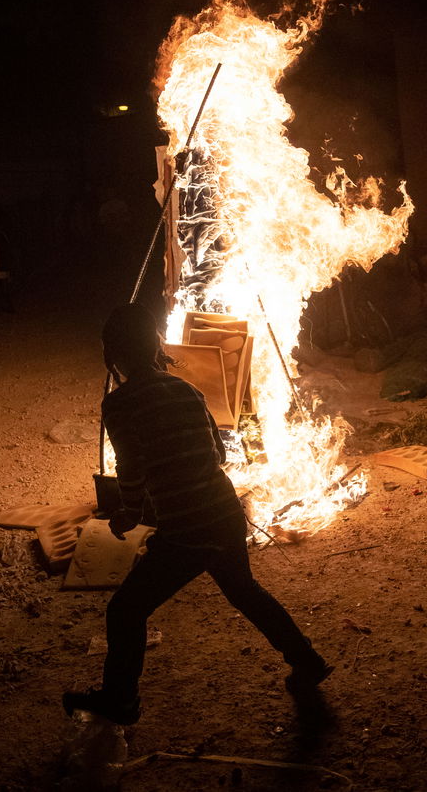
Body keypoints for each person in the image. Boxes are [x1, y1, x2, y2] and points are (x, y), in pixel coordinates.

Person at [63, 304, 331, 726]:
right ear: (154, 346)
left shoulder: (120, 404)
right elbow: (219, 454)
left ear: (113, 354)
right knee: (245, 592)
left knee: (125, 611)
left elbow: (130, 470)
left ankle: (121, 700)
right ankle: (307, 660)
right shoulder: (185, 389)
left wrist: (129, 515)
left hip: (190, 529)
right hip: (225, 511)